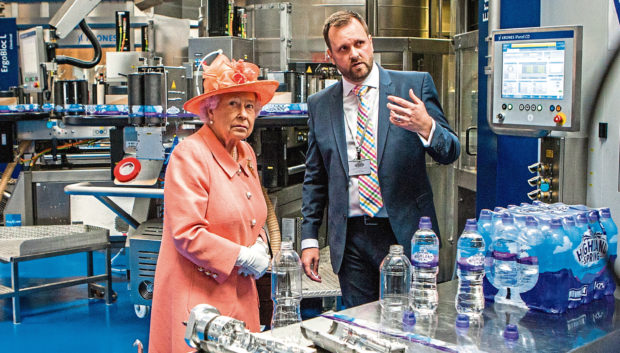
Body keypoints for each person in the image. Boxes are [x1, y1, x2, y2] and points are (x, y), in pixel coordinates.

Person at [300, 11, 460, 308]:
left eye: (359, 43)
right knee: (361, 326)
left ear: (371, 42)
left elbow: (450, 151)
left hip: (405, 233)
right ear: (331, 56)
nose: (354, 53)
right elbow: (315, 176)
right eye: (343, 49)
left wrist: (426, 126)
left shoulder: (413, 86)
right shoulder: (320, 104)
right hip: (351, 239)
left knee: (414, 323)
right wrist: (309, 237)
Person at [148, 54, 279, 353]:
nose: (243, 114)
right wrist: (243, 256)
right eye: (233, 104)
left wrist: (260, 242)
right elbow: (187, 233)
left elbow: (254, 214)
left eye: (249, 106)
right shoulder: (189, 155)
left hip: (240, 295)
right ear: (210, 111)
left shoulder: (245, 152)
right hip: (199, 300)